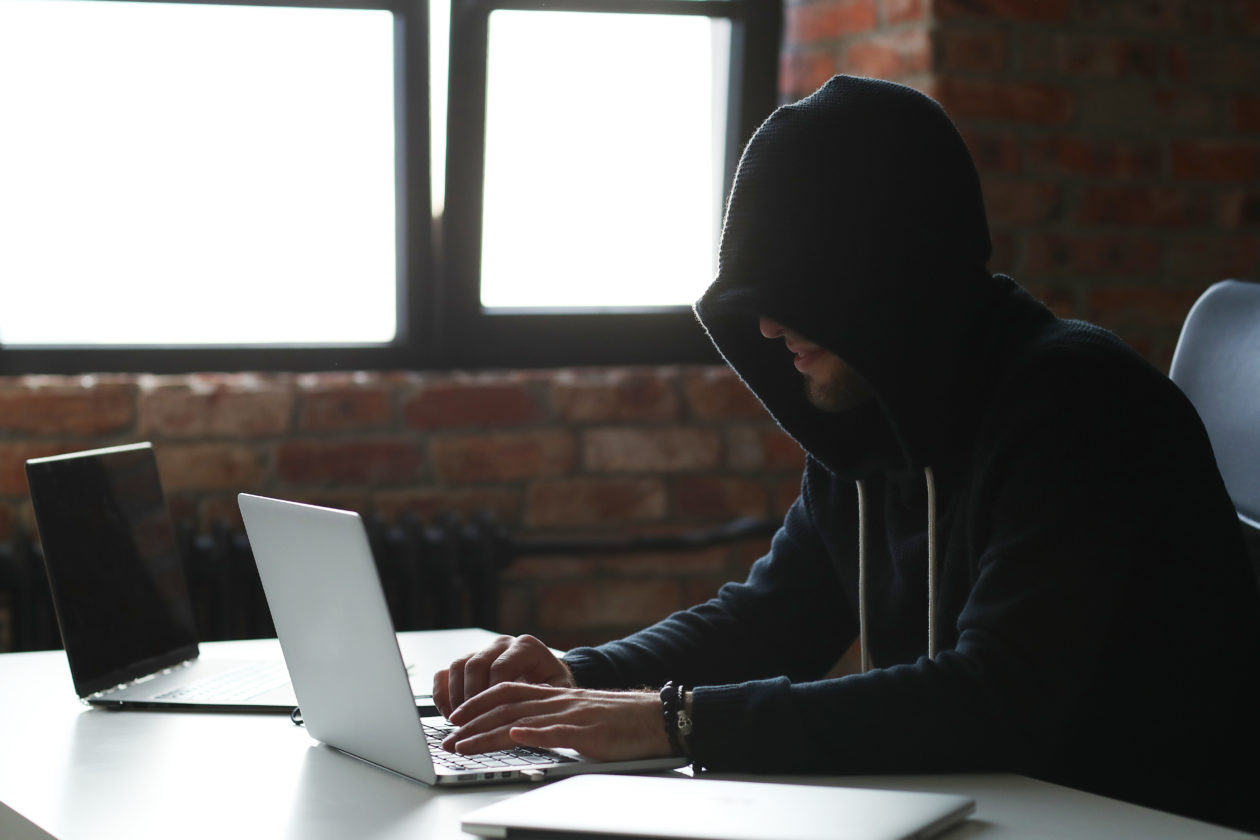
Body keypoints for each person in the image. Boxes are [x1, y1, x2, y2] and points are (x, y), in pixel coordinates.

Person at [432, 75, 1260, 831]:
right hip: (997, 805)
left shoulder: (1078, 404)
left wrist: (676, 720)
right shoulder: (870, 411)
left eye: (789, 294)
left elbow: (998, 697)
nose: (763, 327)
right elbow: (776, 616)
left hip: (1138, 818)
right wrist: (575, 679)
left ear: (881, 279)